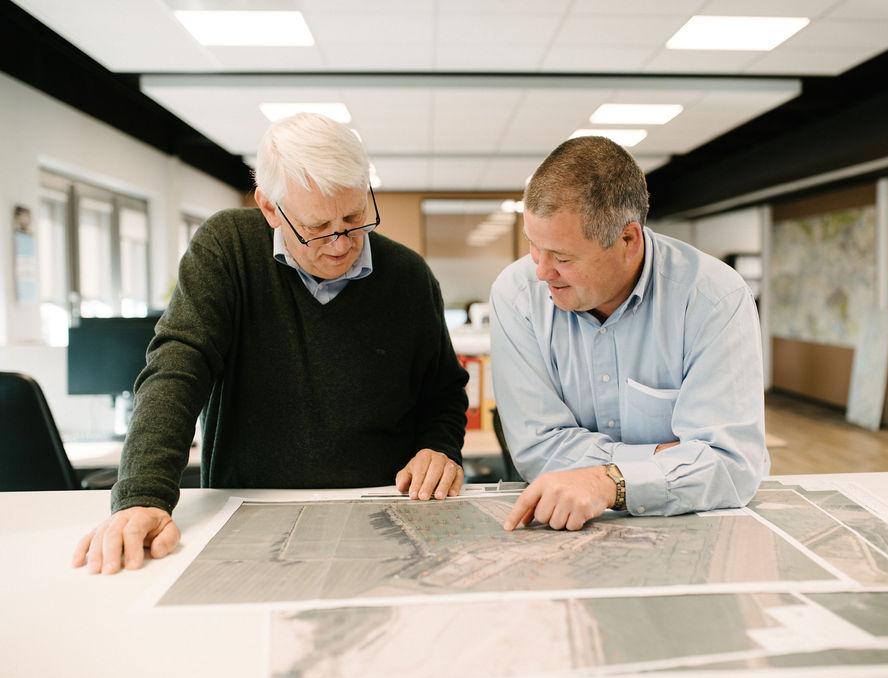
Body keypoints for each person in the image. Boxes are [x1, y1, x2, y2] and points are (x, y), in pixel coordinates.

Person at [72, 113, 469, 573]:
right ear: (269, 208)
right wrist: (143, 495)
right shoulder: (227, 249)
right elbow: (178, 367)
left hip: (382, 517)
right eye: (317, 226)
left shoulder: (409, 277)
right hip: (245, 516)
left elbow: (443, 392)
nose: (341, 243)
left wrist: (439, 448)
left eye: (354, 217)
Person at [490, 136, 768, 532]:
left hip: (692, 527)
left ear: (628, 240)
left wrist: (610, 483)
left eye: (563, 257)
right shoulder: (516, 296)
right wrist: (671, 461)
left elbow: (730, 465)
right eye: (535, 246)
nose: (542, 272)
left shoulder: (714, 298)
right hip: (564, 527)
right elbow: (538, 450)